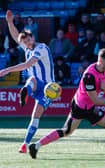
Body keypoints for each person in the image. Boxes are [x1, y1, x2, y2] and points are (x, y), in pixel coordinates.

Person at [29, 48, 105, 160]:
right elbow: (95, 100)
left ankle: (35, 146)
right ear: (101, 60)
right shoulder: (89, 75)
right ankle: (36, 145)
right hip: (81, 107)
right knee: (66, 131)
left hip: (88, 106)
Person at [0, 10, 55, 153]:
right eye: (25, 42)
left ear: (33, 37)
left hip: (49, 88)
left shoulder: (41, 48)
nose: (27, 43)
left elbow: (27, 64)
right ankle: (25, 92)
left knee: (35, 115)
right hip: (36, 83)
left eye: (29, 40)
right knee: (31, 78)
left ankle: (25, 143)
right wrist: (10, 22)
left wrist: (6, 70)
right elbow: (14, 35)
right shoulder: (28, 48)